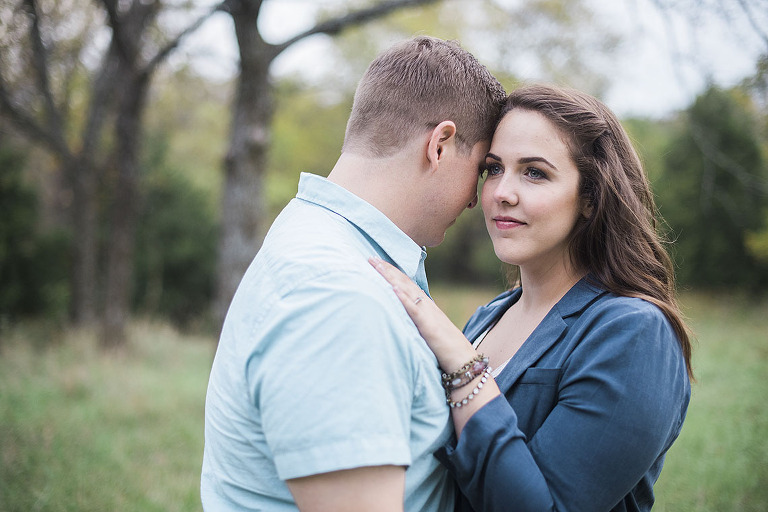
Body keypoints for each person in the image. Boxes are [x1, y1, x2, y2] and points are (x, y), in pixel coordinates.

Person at [201, 36, 507, 512]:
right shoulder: (338, 297)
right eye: (483, 169)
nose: (475, 199)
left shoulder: (320, 238)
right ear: (440, 145)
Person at [370, 83, 693, 512]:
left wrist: (463, 365)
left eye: (534, 172)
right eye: (494, 169)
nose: (502, 192)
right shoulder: (489, 316)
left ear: (591, 198)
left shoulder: (634, 331)